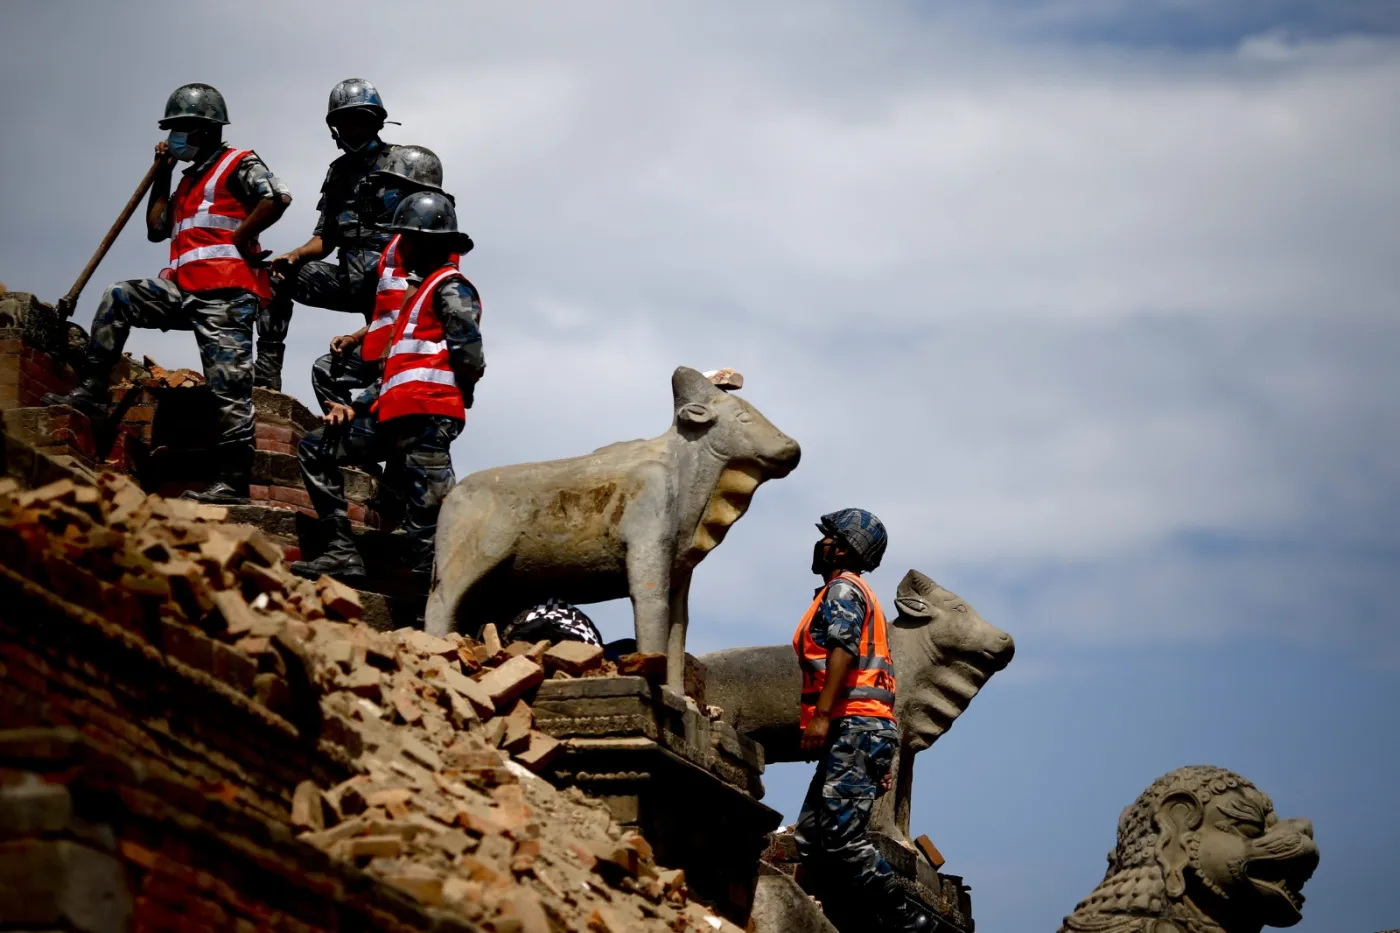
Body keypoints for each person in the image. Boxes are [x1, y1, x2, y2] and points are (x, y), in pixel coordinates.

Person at [43, 83, 291, 505]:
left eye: (184, 128)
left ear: (207, 130)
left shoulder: (237, 162)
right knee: (120, 296)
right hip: (181, 290)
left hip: (225, 295)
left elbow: (276, 198)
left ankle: (231, 481)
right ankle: (90, 392)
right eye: (173, 129)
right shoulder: (188, 179)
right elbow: (157, 229)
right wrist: (162, 172)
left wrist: (243, 237)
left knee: (227, 389)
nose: (177, 136)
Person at [290, 190, 483, 584]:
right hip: (392, 414)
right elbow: (394, 374)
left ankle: (437, 620)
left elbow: (469, 357)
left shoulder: (452, 287)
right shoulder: (415, 298)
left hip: (427, 420)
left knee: (427, 524)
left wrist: (456, 397)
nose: (401, 247)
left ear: (429, 243)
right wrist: (356, 409)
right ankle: (342, 554)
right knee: (315, 448)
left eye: (409, 238)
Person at [792, 509, 935, 932]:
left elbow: (843, 651)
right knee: (810, 834)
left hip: (854, 725)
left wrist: (821, 717)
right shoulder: (857, 592)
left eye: (829, 537)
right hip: (860, 730)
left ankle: (910, 922)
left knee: (840, 836)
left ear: (843, 547)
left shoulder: (841, 591)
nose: (821, 544)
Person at [258, 78, 399, 390]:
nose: (352, 130)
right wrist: (295, 255)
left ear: (375, 121)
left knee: (384, 371)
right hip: (350, 282)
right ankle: (266, 378)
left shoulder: (404, 164)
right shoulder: (337, 173)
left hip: (394, 288)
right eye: (345, 122)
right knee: (275, 275)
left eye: (359, 120)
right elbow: (324, 238)